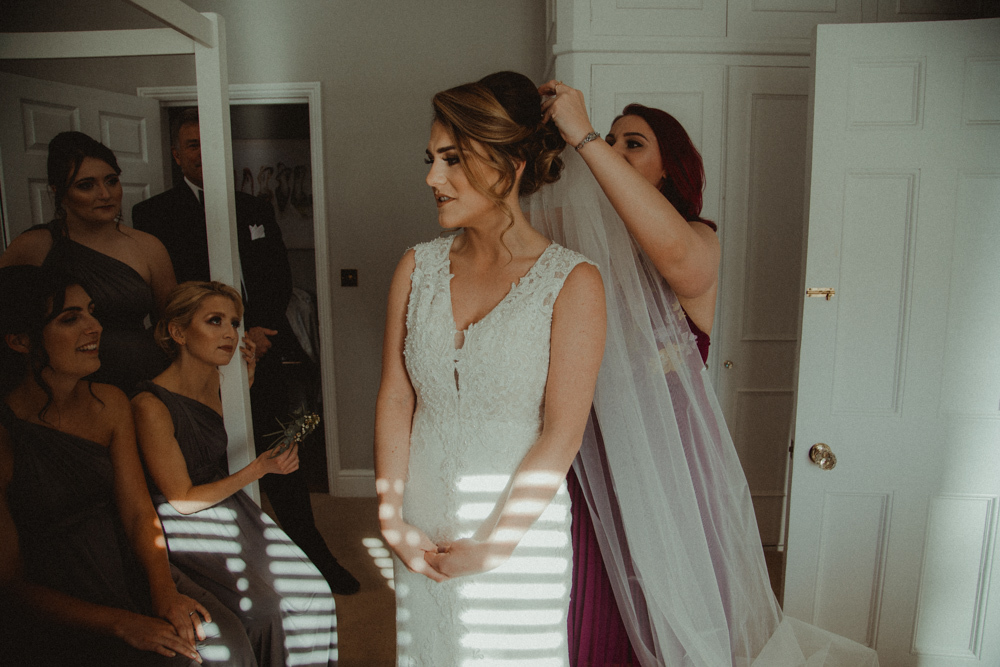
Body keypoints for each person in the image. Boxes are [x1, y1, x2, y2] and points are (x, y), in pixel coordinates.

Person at [532, 83, 880, 665]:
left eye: (633, 143)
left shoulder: (698, 240)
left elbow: (674, 258)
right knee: (580, 596)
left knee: (665, 599)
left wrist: (586, 134)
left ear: (670, 170)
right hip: (584, 451)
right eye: (610, 139)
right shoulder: (574, 243)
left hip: (665, 461)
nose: (614, 149)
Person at [374, 71, 606, 666]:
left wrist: (495, 546)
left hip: (515, 537)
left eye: (453, 159)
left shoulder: (571, 282)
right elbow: (398, 398)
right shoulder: (415, 268)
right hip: (420, 527)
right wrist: (391, 515)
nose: (432, 177)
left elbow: (564, 432)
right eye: (431, 159)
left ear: (512, 163)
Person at [132, 109, 359, 595]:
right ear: (176, 155)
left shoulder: (253, 207)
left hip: (256, 348)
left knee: (282, 458)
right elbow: (167, 294)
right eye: (192, 145)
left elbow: (277, 274)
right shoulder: (152, 216)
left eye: (210, 143)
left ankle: (317, 558)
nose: (202, 153)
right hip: (195, 361)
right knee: (211, 460)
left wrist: (256, 330)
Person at [0, 265, 254, 667]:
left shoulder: (110, 403)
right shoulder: (7, 432)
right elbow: (10, 583)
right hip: (60, 592)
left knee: (228, 642)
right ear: (20, 340)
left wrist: (163, 592)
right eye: (71, 318)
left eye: (91, 311)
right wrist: (123, 623)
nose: (94, 327)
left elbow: (138, 514)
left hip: (127, 561)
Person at [132, 280, 338, 667]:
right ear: (178, 332)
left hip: (229, 507)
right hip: (186, 521)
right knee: (266, 610)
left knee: (314, 592)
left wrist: (248, 377)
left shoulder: (214, 377)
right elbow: (181, 499)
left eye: (234, 322)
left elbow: (213, 423)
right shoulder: (150, 405)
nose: (230, 332)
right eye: (215, 321)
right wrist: (260, 467)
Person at [0, 131, 175, 393]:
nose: (105, 194)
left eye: (112, 181)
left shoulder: (149, 246)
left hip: (145, 383)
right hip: (68, 392)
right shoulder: (35, 245)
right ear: (58, 191)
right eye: (86, 185)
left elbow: (174, 328)